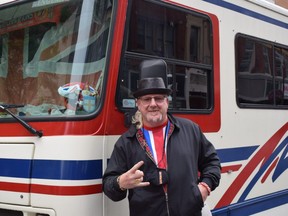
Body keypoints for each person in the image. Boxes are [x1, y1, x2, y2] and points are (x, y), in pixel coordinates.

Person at [102, 59, 221, 216]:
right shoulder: (126, 142)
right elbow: (109, 186)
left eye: (158, 98)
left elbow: (212, 163)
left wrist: (205, 187)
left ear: (167, 102)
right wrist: (120, 183)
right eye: (146, 99)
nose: (153, 104)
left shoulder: (190, 130)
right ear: (138, 103)